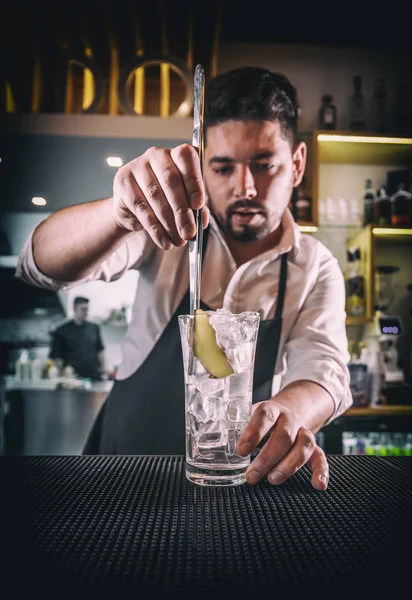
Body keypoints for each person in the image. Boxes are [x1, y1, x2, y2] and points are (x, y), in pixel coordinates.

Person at [16, 66, 353, 490]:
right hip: (122, 475)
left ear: (297, 163)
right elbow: (38, 264)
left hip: (235, 479)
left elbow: (324, 371)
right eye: (223, 167)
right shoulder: (167, 227)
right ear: (203, 166)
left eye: (264, 164)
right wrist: (118, 213)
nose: (246, 187)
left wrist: (290, 412)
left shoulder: (315, 265)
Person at [50, 296, 106, 381]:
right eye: (83, 309)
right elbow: (57, 356)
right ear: (74, 308)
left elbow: (100, 352)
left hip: (94, 376)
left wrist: (104, 371)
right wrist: (61, 374)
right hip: (72, 378)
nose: (86, 312)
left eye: (87, 309)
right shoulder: (61, 330)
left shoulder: (94, 328)